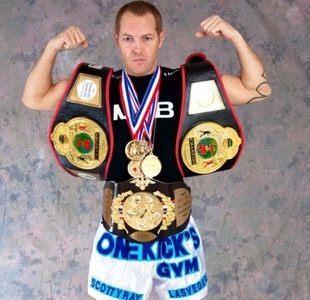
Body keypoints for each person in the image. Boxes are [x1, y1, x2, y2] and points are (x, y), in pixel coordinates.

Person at [22, 1, 272, 299]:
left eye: (146, 38)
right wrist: (52, 47)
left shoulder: (186, 83)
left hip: (176, 237)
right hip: (117, 238)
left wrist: (236, 37)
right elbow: (34, 98)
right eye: (128, 38)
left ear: (161, 38)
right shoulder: (97, 86)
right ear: (117, 40)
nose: (137, 48)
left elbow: (258, 90)